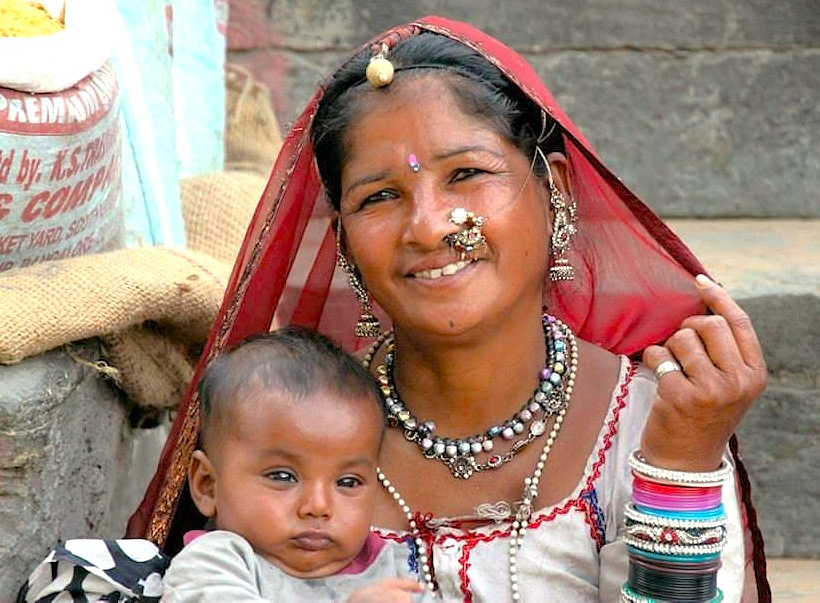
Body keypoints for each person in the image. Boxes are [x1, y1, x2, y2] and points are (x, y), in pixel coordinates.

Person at [122, 15, 769, 603]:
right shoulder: (293, 428)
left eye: (466, 175)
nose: (429, 226)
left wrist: (678, 464)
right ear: (344, 242)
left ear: (556, 191)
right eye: (380, 197)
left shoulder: (651, 427)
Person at [161, 326, 428, 602]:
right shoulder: (214, 564)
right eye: (283, 476)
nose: (318, 507)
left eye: (348, 482)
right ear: (208, 486)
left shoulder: (393, 567)